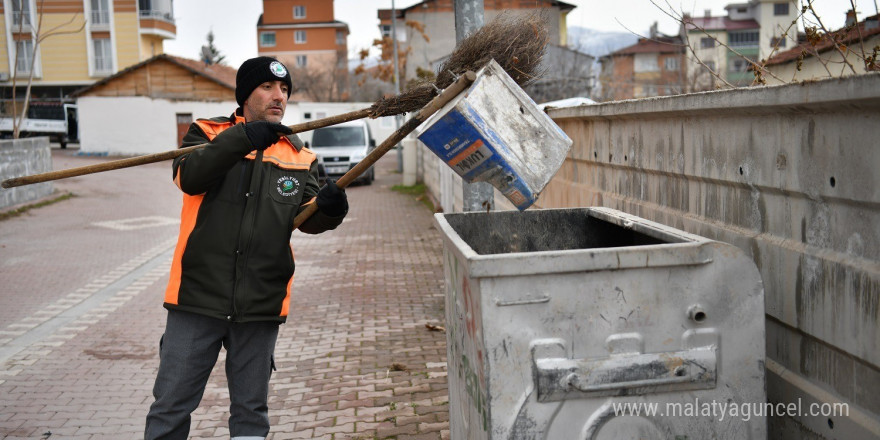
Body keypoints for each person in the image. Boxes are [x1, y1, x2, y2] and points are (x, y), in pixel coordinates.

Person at [145, 57, 348, 440]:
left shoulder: (299, 155)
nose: (279, 97)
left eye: (285, 90)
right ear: (245, 95)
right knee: (170, 405)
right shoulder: (205, 133)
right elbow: (190, 177)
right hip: (197, 298)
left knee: (251, 413)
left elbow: (306, 219)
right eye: (268, 88)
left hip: (261, 301)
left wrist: (330, 211)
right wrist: (243, 138)